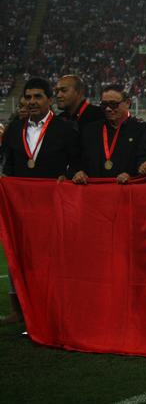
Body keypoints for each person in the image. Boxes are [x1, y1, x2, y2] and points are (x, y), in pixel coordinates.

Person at [1, 77, 80, 325]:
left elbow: (77, 163)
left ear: (49, 100)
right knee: (19, 257)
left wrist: (66, 177)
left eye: (37, 97)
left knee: (51, 260)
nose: (31, 102)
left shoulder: (65, 129)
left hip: (52, 206)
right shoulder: (15, 129)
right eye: (28, 97)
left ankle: (52, 311)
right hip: (22, 207)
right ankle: (20, 311)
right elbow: (10, 166)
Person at [72, 85, 146, 184]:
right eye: (104, 105)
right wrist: (79, 172)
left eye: (113, 104)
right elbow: (78, 161)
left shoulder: (142, 129)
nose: (107, 109)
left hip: (127, 191)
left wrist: (132, 175)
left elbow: (144, 162)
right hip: (95, 192)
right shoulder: (90, 130)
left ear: (128, 103)